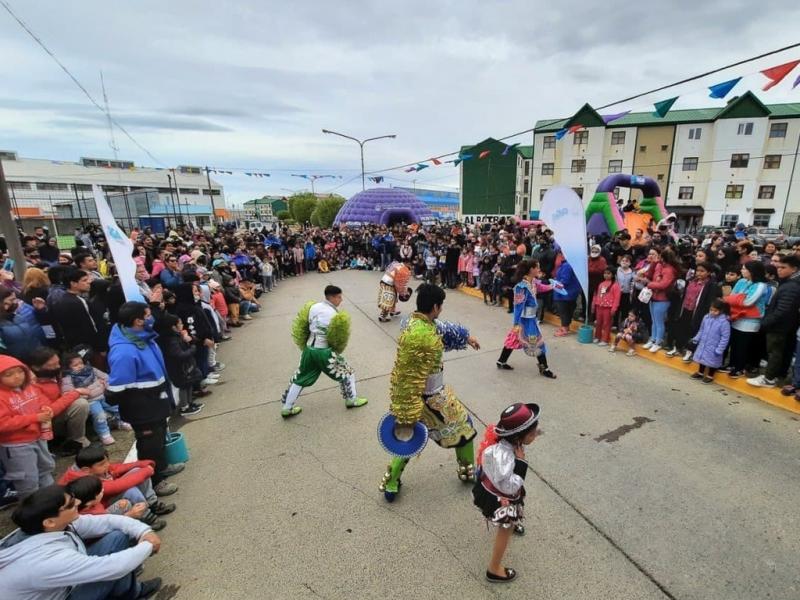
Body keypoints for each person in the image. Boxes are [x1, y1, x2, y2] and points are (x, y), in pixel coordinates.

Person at [378, 283, 481, 501]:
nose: (441, 310)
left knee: (408, 437)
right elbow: (409, 371)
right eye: (441, 306)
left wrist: (466, 337)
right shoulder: (423, 336)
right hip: (430, 396)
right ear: (435, 306)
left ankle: (391, 481)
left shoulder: (412, 322)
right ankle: (468, 471)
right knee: (464, 428)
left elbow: (443, 328)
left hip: (416, 396)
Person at [0, 485, 162, 599]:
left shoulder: (46, 526)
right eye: (70, 504)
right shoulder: (42, 561)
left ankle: (128, 593)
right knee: (111, 568)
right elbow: (111, 568)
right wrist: (148, 545)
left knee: (117, 537)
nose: (77, 502)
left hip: (63, 587)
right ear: (49, 521)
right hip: (64, 594)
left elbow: (108, 521)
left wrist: (144, 532)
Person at [106, 302, 182, 492]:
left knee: (159, 438)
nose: (151, 318)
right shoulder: (124, 351)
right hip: (142, 408)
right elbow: (116, 390)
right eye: (148, 315)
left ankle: (162, 468)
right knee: (149, 445)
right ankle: (154, 482)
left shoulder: (144, 337)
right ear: (138, 321)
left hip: (156, 402)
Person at [472, 402, 541, 583]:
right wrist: (521, 464)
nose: (536, 436)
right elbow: (510, 488)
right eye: (533, 434)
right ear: (518, 436)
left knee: (513, 516)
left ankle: (512, 523)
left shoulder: (505, 444)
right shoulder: (508, 458)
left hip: (491, 486)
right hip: (500, 497)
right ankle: (494, 569)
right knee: (506, 526)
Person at [0, 355, 86, 498]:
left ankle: (53, 499)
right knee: (27, 479)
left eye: (20, 371)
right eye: (9, 374)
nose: (16, 377)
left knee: (46, 467)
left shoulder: (30, 388)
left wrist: (46, 408)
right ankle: (33, 510)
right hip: (16, 445)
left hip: (38, 437)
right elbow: (3, 423)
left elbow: (44, 403)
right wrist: (35, 417)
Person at [280, 285, 368, 418]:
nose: (341, 299)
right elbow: (335, 338)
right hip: (324, 351)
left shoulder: (313, 307)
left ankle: (287, 407)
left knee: (300, 378)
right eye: (339, 297)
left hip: (309, 349)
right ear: (332, 297)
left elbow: (305, 326)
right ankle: (351, 399)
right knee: (347, 373)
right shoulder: (333, 314)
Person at [59, 445, 174, 530]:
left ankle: (152, 505)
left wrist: (140, 464)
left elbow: (114, 468)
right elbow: (116, 487)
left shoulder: (89, 468)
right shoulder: (82, 481)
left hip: (101, 504)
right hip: (99, 515)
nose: (107, 465)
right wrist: (146, 471)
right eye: (102, 464)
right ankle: (146, 517)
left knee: (138, 471)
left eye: (107, 461)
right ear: (86, 470)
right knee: (130, 489)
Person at [496, 259, 556, 377]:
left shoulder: (533, 282)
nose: (539, 270)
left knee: (513, 339)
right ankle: (544, 368)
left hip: (531, 319)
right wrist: (516, 324)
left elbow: (542, 287)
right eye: (537, 267)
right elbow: (518, 307)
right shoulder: (521, 287)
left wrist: (553, 286)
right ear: (531, 269)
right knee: (537, 343)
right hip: (525, 321)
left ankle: (501, 361)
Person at [28, 347, 92, 455]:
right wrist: (75, 393)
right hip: (46, 423)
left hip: (60, 412)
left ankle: (78, 437)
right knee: (80, 404)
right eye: (52, 366)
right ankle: (75, 440)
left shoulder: (57, 374)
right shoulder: (32, 385)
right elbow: (49, 411)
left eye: (58, 363)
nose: (57, 367)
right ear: (36, 368)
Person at [748, 255, 800, 388]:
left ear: (794, 269)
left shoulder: (791, 286)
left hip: (779, 327)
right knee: (781, 352)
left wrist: (766, 322)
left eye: (783, 267)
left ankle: (769, 378)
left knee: (775, 352)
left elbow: (783, 310)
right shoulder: (789, 283)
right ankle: (777, 376)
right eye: (778, 267)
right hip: (784, 326)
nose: (779, 270)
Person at [723, 260, 770, 378]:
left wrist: (736, 298)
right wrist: (738, 298)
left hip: (750, 321)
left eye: (744, 269)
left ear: (752, 271)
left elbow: (748, 302)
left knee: (743, 346)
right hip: (736, 317)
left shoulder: (760, 285)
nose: (742, 271)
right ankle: (732, 364)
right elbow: (730, 297)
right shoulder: (741, 281)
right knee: (734, 344)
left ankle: (740, 368)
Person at [667, 262, 721, 361]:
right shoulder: (691, 281)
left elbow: (709, 301)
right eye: (698, 271)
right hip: (685, 309)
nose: (699, 273)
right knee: (681, 329)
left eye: (702, 271)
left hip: (698, 312)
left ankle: (690, 351)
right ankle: (678, 348)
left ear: (708, 272)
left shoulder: (711, 285)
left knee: (694, 332)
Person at [60, 351, 116, 446]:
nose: (80, 366)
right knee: (99, 416)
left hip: (103, 395)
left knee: (116, 406)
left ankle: (121, 421)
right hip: (91, 400)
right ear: (68, 367)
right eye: (75, 365)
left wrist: (106, 385)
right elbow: (68, 393)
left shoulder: (91, 370)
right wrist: (85, 394)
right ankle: (104, 434)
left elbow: (106, 377)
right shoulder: (67, 378)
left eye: (81, 363)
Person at [638, 247, 679, 353]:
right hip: (653, 296)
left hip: (663, 298)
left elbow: (663, 285)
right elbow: (650, 276)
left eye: (660, 256)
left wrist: (650, 284)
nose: (658, 258)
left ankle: (658, 342)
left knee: (659, 321)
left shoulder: (669, 270)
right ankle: (653, 339)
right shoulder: (659, 266)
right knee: (654, 321)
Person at [50, 269, 102, 352]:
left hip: (72, 345)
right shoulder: (79, 302)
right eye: (84, 280)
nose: (89, 282)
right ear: (73, 283)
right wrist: (100, 347)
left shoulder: (59, 300)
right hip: (87, 346)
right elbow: (90, 326)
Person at [690, 299, 731, 384]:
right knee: (702, 358)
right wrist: (696, 338)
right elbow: (701, 330)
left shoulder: (724, 322)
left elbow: (725, 338)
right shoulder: (706, 317)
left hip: (715, 345)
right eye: (711, 310)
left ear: (721, 310)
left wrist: (719, 349)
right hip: (704, 343)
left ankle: (710, 375)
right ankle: (701, 373)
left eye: (715, 311)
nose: (712, 312)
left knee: (713, 361)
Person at [553, 255, 581, 337]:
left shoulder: (567, 265)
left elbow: (565, 280)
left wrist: (555, 284)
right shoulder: (569, 264)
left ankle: (564, 329)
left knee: (563, 311)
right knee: (567, 310)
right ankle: (565, 327)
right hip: (569, 292)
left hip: (564, 293)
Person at [592, 267, 621, 346]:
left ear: (612, 275)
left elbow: (617, 298)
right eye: (605, 273)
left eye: (608, 273)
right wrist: (594, 304)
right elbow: (596, 295)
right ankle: (597, 337)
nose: (606, 275)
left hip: (608, 308)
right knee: (598, 322)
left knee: (607, 324)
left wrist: (614, 308)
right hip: (599, 306)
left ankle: (605, 339)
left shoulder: (615, 285)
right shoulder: (601, 284)